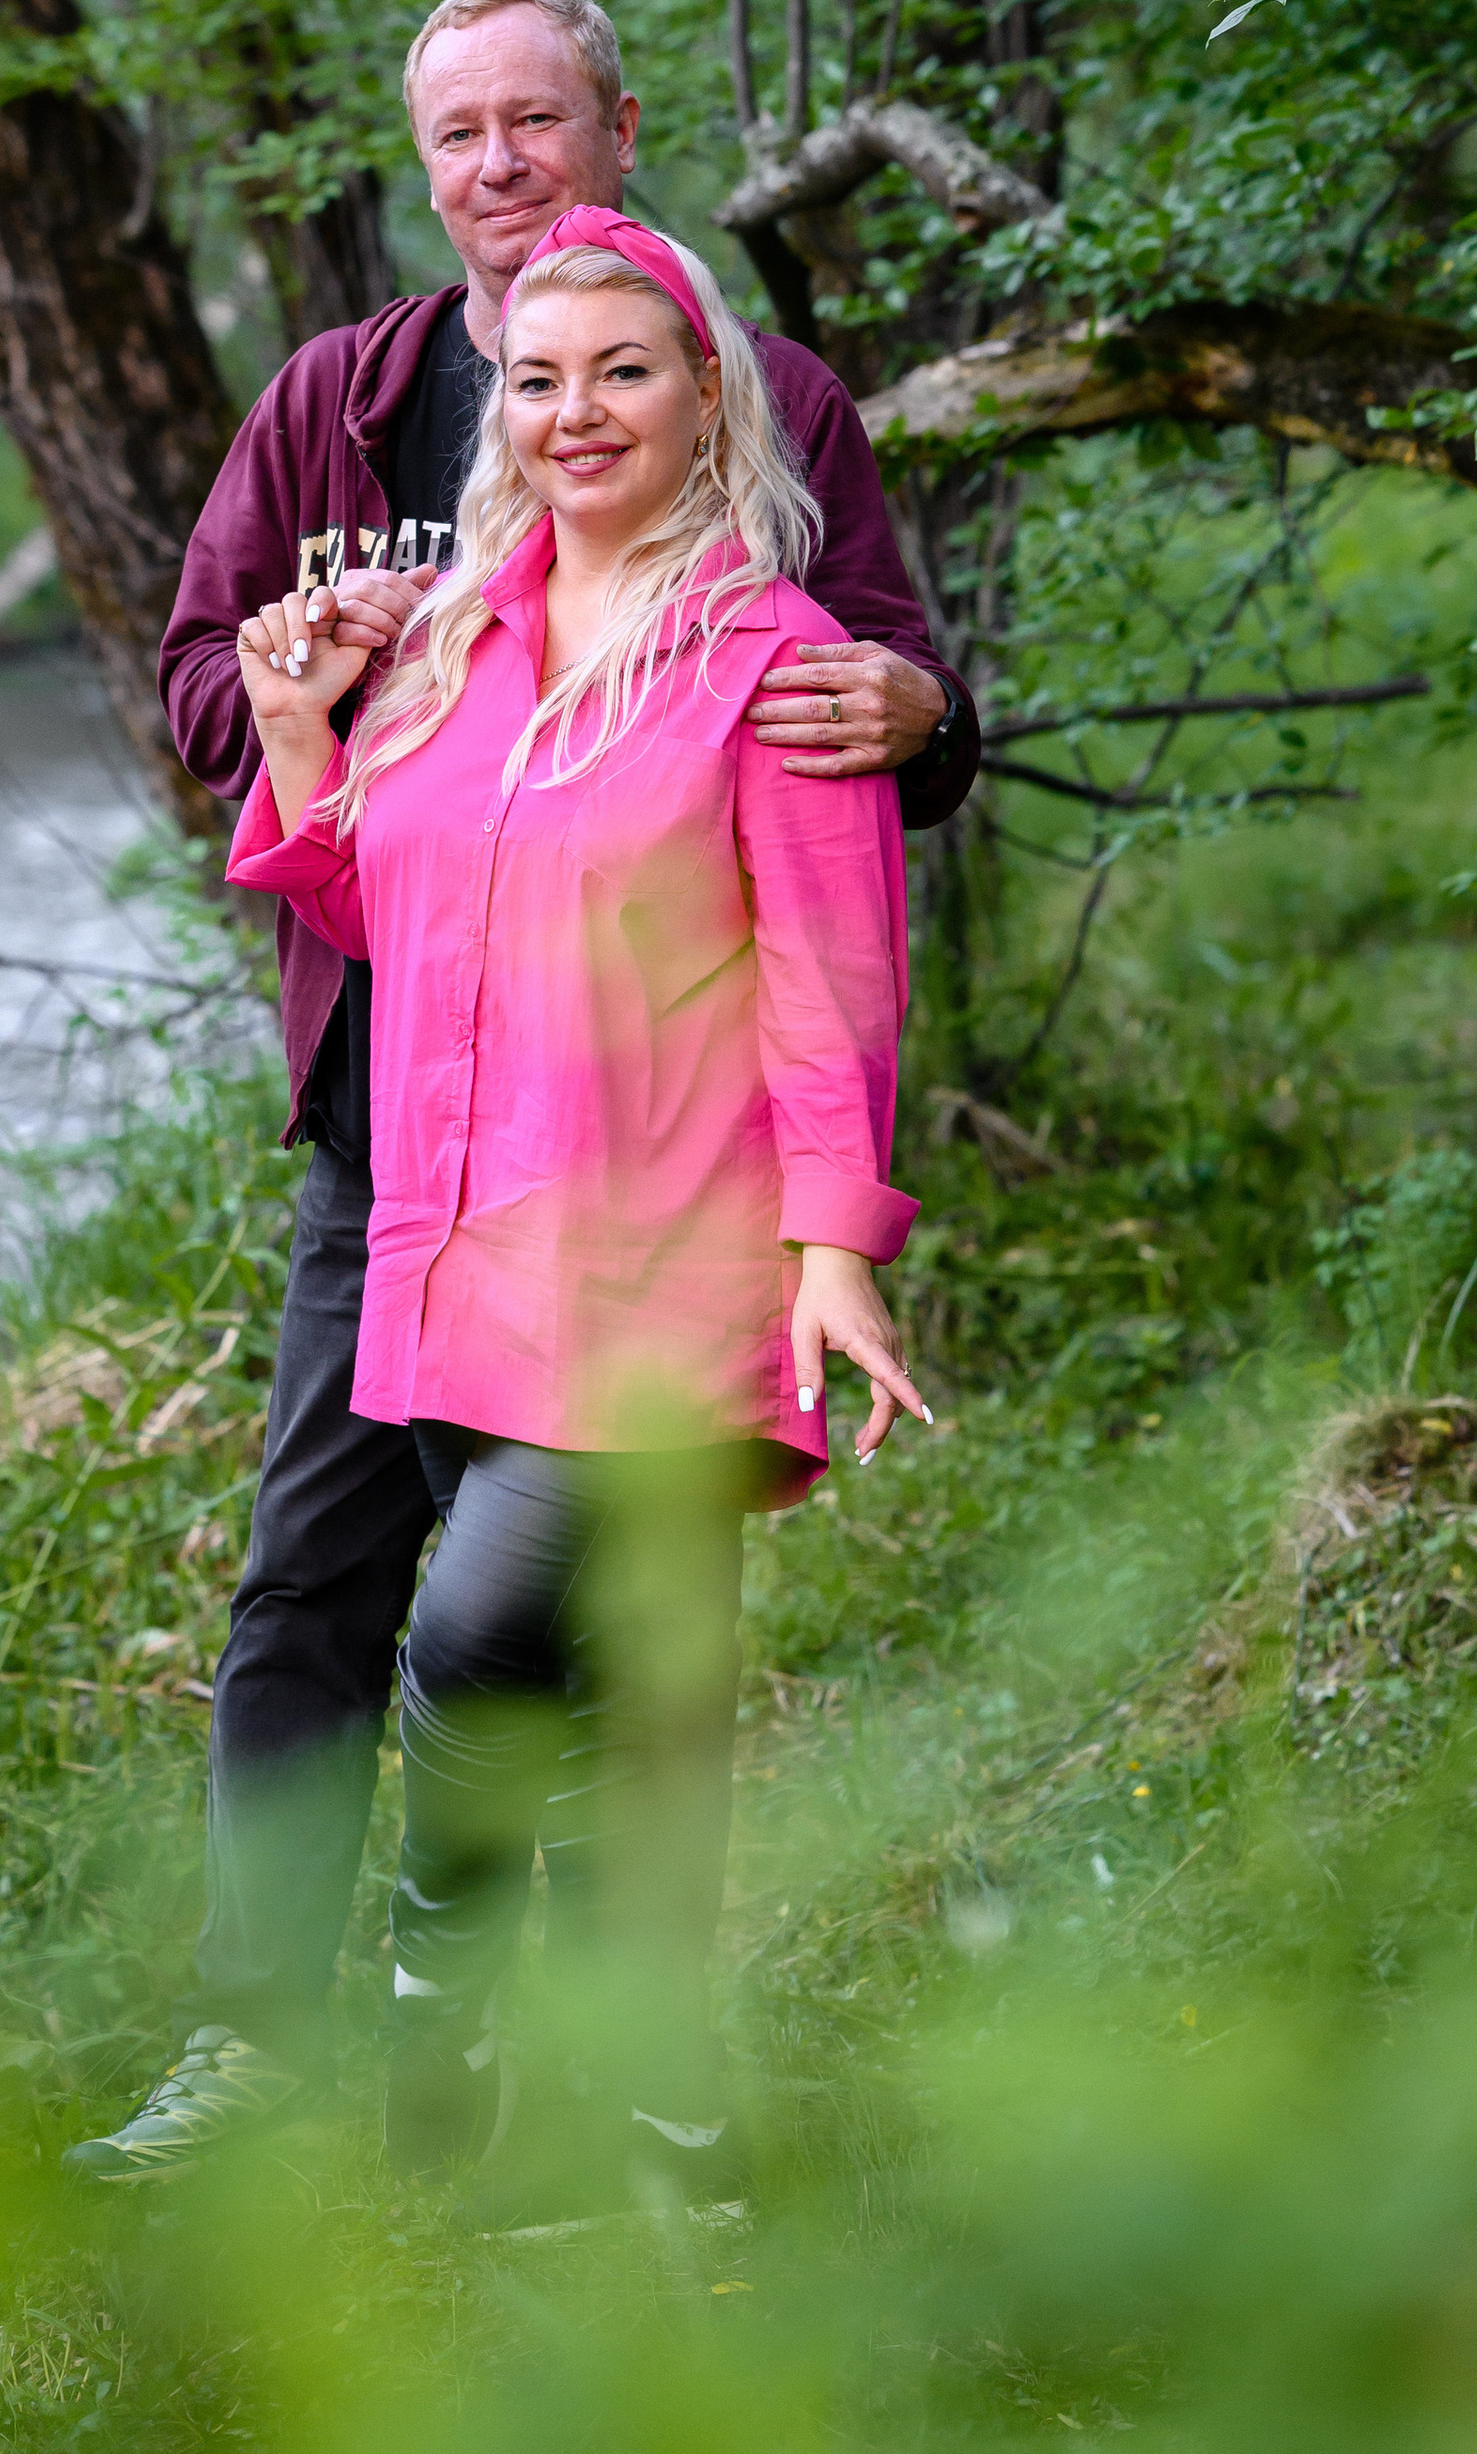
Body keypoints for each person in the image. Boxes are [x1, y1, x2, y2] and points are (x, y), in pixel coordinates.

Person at [65, 0, 977, 2184]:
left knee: (620, 1622)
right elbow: (207, 681)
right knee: (315, 1578)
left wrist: (915, 718)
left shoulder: (769, 413)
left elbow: (873, 707)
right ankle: (270, 2038)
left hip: (658, 1150)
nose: (497, 166)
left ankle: (623, 2061)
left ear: (614, 130)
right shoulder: (336, 407)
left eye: (535, 122)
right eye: (456, 132)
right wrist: (305, 689)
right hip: (400, 1116)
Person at [222, 206, 931, 2202]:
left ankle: (440, 2043)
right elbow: (401, 913)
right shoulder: (454, 638)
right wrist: (298, 739)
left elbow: (832, 982)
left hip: (673, 1270)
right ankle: (663, 2119)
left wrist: (832, 1250)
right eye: (537, 377)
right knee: (634, 1685)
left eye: (621, 367)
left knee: (466, 1631)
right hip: (460, 1260)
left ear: (705, 392)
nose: (574, 409)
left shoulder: (772, 662)